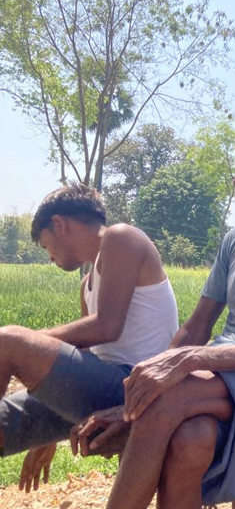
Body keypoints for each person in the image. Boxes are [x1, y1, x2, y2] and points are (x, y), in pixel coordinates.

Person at [72, 131, 235, 509]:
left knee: (165, 404)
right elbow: (197, 326)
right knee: (190, 440)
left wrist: (187, 362)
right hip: (230, 366)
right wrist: (154, 369)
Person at [0, 183, 178, 492]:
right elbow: (88, 356)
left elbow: (107, 327)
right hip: (106, 385)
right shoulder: (87, 285)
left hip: (139, 386)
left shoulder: (122, 237)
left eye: (45, 245)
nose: (50, 257)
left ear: (60, 224)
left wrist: (27, 338)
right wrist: (46, 428)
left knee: (8, 341)